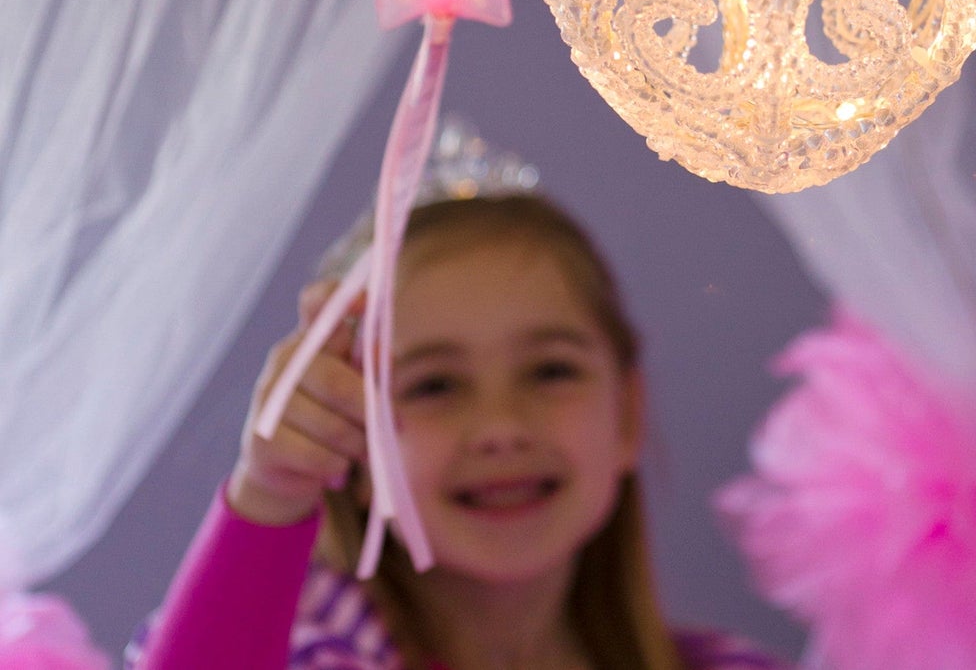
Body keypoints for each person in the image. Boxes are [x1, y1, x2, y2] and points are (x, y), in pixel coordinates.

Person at [126, 191, 791, 670]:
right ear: (352, 446)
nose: (500, 427)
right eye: (434, 384)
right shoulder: (318, 646)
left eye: (550, 370)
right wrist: (271, 491)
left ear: (627, 414)